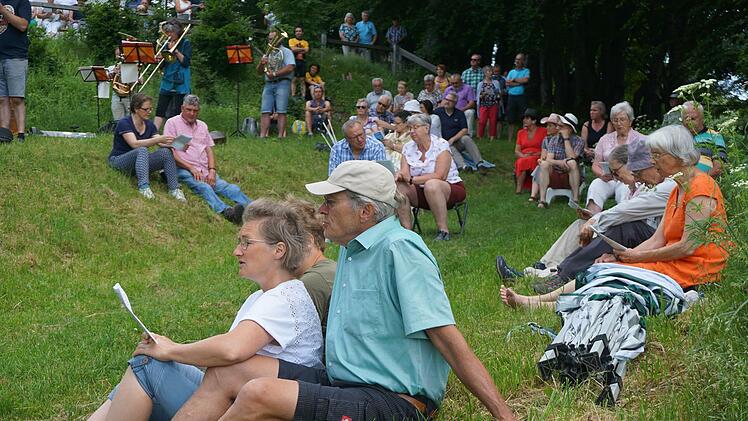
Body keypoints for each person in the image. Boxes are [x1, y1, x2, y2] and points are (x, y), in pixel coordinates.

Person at [168, 160, 517, 421]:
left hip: (393, 402)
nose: (320, 211)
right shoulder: (351, 250)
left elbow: (445, 337)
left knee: (259, 393)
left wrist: (503, 414)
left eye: (330, 202)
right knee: (229, 372)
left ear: (365, 211)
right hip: (345, 385)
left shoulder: (400, 249)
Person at [87, 199, 325, 421]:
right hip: (232, 398)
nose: (237, 251)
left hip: (247, 409)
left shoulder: (284, 298)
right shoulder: (268, 295)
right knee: (144, 372)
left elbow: (231, 350)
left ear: (278, 250)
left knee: (149, 367)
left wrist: (172, 350)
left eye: (246, 242)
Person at [501, 125, 728, 308]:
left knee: (613, 277)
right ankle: (536, 299)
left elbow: (688, 247)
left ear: (678, 156)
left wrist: (635, 258)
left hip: (695, 271)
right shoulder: (678, 188)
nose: (654, 161)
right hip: (675, 262)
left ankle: (539, 303)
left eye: (657, 155)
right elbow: (658, 239)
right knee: (604, 268)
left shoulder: (700, 188)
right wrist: (622, 257)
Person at [522, 141, 678, 293]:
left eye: (638, 172)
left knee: (624, 228)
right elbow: (627, 212)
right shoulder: (651, 185)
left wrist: (595, 223)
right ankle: (548, 269)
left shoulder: (669, 186)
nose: (636, 177)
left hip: (660, 248)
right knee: (587, 225)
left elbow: (628, 212)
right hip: (650, 242)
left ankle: (561, 275)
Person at [165, 95, 250, 222]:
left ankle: (254, 209)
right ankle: (227, 212)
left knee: (230, 188)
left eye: (195, 111)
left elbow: (208, 149)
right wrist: (191, 168)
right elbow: (170, 152)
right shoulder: (172, 123)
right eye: (188, 110)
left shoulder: (202, 126)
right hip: (183, 168)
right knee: (204, 188)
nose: (192, 113)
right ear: (182, 108)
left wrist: (212, 170)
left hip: (204, 168)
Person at [396, 113, 466, 241]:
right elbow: (405, 173)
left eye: (415, 127)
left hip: (449, 189)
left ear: (426, 128)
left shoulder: (441, 144)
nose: (412, 131)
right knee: (399, 186)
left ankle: (443, 231)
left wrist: (413, 180)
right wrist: (399, 175)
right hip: (420, 191)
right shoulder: (408, 147)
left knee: (432, 184)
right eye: (410, 128)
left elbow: (440, 175)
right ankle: (407, 233)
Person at [107, 93, 185, 201]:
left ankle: (174, 189)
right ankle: (144, 187)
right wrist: (157, 139)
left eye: (150, 109)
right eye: (145, 109)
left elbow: (161, 142)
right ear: (136, 108)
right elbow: (134, 144)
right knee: (141, 150)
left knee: (166, 152)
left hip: (139, 163)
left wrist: (179, 144)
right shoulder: (124, 123)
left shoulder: (149, 125)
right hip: (119, 160)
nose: (149, 112)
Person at [586, 101, 646, 214]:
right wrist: (601, 174)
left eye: (622, 119)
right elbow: (596, 165)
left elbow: (646, 165)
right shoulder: (604, 139)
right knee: (595, 185)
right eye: (615, 120)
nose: (618, 123)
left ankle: (622, 217)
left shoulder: (641, 140)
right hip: (608, 178)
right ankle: (592, 218)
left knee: (625, 189)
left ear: (630, 120)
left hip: (628, 179)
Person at [433, 92, 495, 171]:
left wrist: (453, 139)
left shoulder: (459, 113)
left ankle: (479, 163)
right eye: (446, 99)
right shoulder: (437, 112)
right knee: (447, 145)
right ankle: (463, 166)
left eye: (450, 100)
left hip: (457, 141)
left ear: (455, 103)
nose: (447, 102)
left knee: (466, 138)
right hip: (444, 143)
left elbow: (465, 130)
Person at [536, 113, 585, 207]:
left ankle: (575, 199)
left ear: (569, 129)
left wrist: (566, 139)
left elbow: (572, 157)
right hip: (555, 173)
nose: (557, 128)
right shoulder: (554, 140)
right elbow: (549, 159)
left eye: (561, 126)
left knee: (572, 163)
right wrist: (561, 162)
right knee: (544, 164)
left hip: (571, 174)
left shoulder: (579, 141)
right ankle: (542, 200)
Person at [0, 0, 31, 142]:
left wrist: (3, 10)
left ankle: (20, 134)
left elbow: (23, 25)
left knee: (17, 98)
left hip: (16, 56)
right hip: (0, 55)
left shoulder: (21, 2)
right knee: (2, 99)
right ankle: (4, 133)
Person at [152, 20, 192, 131]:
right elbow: (162, 65)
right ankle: (153, 133)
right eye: (167, 32)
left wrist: (176, 51)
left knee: (177, 111)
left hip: (181, 80)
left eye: (171, 32)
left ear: (177, 32)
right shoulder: (166, 43)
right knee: (161, 108)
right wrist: (159, 60)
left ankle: (176, 133)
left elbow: (186, 63)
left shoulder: (185, 43)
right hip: (167, 80)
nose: (169, 35)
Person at [256, 30, 295, 138]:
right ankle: (262, 136)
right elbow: (259, 72)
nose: (271, 41)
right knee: (265, 110)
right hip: (268, 84)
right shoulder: (267, 53)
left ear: (280, 39)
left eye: (273, 38)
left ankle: (281, 136)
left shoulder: (286, 51)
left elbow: (290, 67)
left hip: (282, 82)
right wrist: (261, 63)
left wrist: (274, 74)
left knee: (281, 111)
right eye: (269, 39)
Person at [681, 100, 728, 177]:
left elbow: (718, 168)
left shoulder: (714, 136)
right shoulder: (677, 138)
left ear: (702, 118)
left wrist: (699, 179)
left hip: (705, 182)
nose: (689, 122)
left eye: (693, 119)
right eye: (686, 118)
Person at [513, 108, 547, 194]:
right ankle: (519, 189)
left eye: (527, 118)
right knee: (521, 161)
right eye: (524, 118)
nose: (524, 120)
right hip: (524, 156)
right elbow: (517, 151)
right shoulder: (520, 132)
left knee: (531, 161)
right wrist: (523, 156)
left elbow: (547, 148)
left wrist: (536, 154)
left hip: (538, 155)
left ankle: (535, 189)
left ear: (534, 120)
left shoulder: (543, 131)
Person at [505, 53, 530, 144]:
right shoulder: (511, 72)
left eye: (519, 59)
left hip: (521, 97)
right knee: (510, 118)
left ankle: (524, 139)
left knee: (524, 117)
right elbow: (507, 83)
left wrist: (514, 80)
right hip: (511, 96)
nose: (517, 61)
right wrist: (519, 82)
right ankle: (510, 139)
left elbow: (526, 80)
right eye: (516, 59)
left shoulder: (526, 70)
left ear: (523, 61)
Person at [476, 66, 502, 139]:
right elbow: (478, 96)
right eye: (489, 71)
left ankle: (492, 136)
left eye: (491, 71)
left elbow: (499, 94)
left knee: (493, 121)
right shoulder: (480, 84)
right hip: (483, 104)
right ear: (485, 73)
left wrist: (496, 94)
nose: (491, 73)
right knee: (482, 121)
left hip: (493, 104)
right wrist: (483, 94)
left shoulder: (496, 82)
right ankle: (480, 136)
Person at [288, 26, 309, 98]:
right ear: (295, 33)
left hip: (302, 61)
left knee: (302, 79)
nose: (298, 32)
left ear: (302, 32)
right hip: (294, 61)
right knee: (294, 79)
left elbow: (306, 50)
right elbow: (293, 49)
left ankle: (303, 96)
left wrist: (297, 49)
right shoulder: (291, 40)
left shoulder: (305, 42)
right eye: (296, 31)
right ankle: (293, 95)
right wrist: (302, 49)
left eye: (300, 31)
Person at [492, 65, 507, 139]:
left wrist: (502, 92)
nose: (496, 73)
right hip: (491, 101)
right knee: (491, 119)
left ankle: (499, 136)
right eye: (495, 71)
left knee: (499, 119)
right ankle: (491, 135)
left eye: (498, 71)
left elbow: (506, 89)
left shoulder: (503, 79)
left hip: (500, 101)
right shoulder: (490, 79)